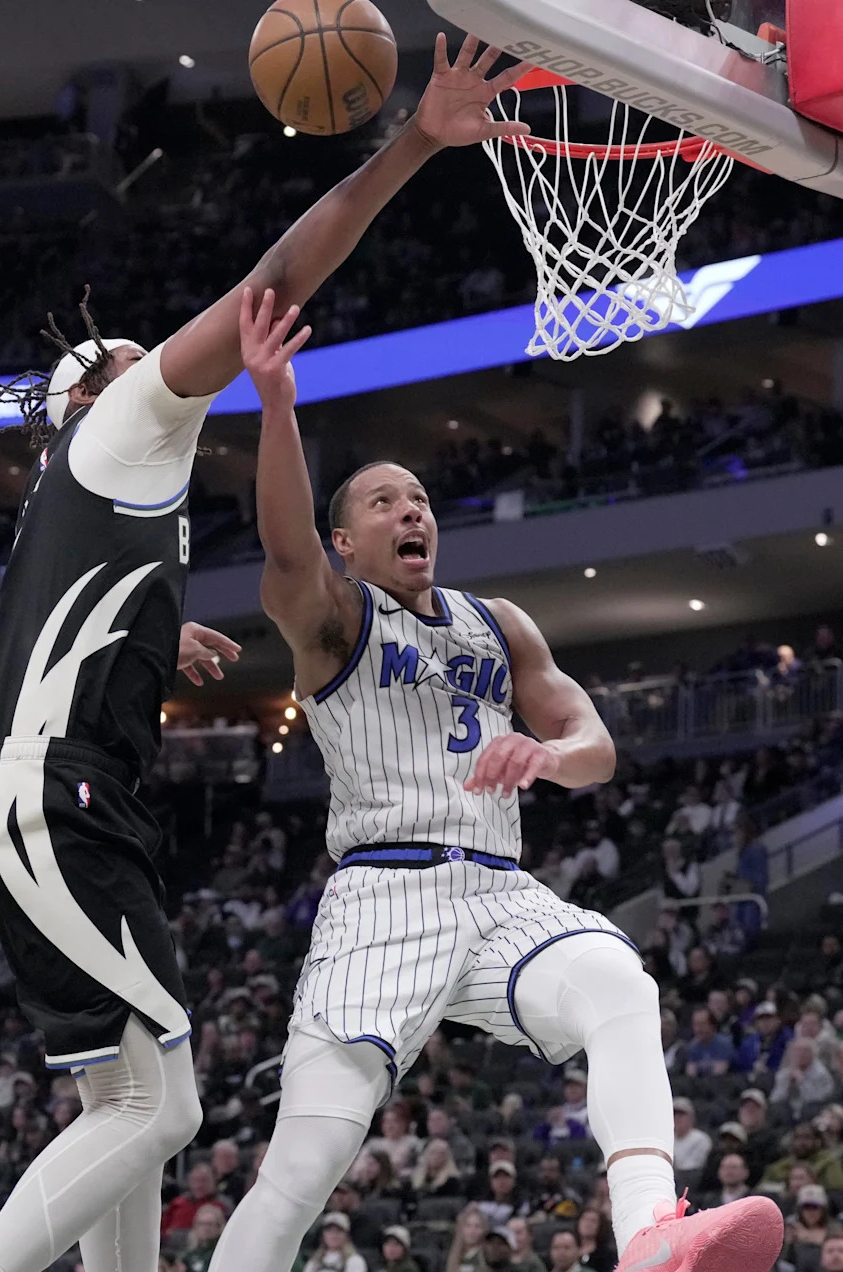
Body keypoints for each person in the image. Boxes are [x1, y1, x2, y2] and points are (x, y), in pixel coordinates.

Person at [0, 32, 530, 1272]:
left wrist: (160, 627)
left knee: (129, 1107)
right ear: (87, 404)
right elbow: (275, 276)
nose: (154, 357)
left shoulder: (98, 508)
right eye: (127, 359)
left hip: (67, 799)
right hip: (53, 799)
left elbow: (69, 628)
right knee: (165, 1112)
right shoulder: (115, 434)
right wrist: (416, 140)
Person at [208, 244, 782, 1272]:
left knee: (620, 981)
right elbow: (285, 548)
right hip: (381, 898)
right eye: (382, 502)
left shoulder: (499, 623)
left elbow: (595, 745)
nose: (411, 510)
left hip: (501, 893)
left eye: (419, 497)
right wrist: (277, 405)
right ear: (348, 542)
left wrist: (549, 758)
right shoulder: (333, 620)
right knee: (303, 1169)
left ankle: (651, 1232)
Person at [784, 1185, 839, 1272]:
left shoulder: (835, 1228)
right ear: (800, 1210)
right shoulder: (792, 1227)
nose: (811, 1212)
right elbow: (783, 1260)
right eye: (807, 1207)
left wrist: (808, 1237)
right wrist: (787, 1243)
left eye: (815, 1207)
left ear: (823, 1209)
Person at [160, 1165, 227, 1237]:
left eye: (204, 1180)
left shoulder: (222, 1205)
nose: (199, 1185)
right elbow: (163, 1230)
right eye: (195, 1180)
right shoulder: (178, 1203)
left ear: (214, 1181)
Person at [771, 1039, 836, 1110]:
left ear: (813, 1054)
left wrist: (802, 1081)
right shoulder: (785, 1073)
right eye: (797, 1051)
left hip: (810, 1110)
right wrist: (789, 1083)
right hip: (789, 1109)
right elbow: (775, 1098)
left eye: (805, 1051)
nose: (800, 1054)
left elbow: (816, 1099)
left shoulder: (821, 1074)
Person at [304, 1213, 368, 1272]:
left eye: (338, 1230)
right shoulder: (314, 1261)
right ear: (323, 1234)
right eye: (329, 1230)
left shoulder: (355, 1260)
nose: (333, 1235)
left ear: (347, 1235)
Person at [684, 1007, 735, 1077]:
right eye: (695, 1025)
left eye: (702, 1024)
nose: (698, 1029)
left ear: (713, 1026)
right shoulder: (692, 1047)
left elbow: (719, 1073)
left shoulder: (724, 1044)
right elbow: (690, 1073)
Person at [671, 1099, 713, 1172]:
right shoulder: (667, 1140)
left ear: (691, 1118)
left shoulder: (701, 1139)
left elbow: (695, 1166)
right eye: (674, 1114)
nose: (677, 1118)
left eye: (681, 1114)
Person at [445, 1206, 490, 1272]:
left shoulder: (488, 1256)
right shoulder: (454, 1254)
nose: (472, 1231)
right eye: (468, 1225)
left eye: (477, 1226)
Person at [182, 1205, 225, 1272]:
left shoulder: (222, 1254)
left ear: (218, 1227)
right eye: (201, 1224)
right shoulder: (188, 1255)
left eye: (210, 1224)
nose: (205, 1228)